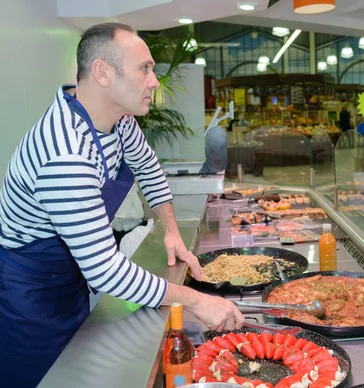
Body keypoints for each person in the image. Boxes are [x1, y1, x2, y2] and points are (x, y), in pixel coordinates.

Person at [0, 22, 244, 387]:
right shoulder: (66, 154)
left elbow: (147, 167)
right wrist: (194, 301)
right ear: (102, 73)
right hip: (30, 295)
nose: (155, 81)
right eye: (144, 68)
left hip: (71, 276)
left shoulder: (119, 120)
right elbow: (103, 269)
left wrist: (172, 232)